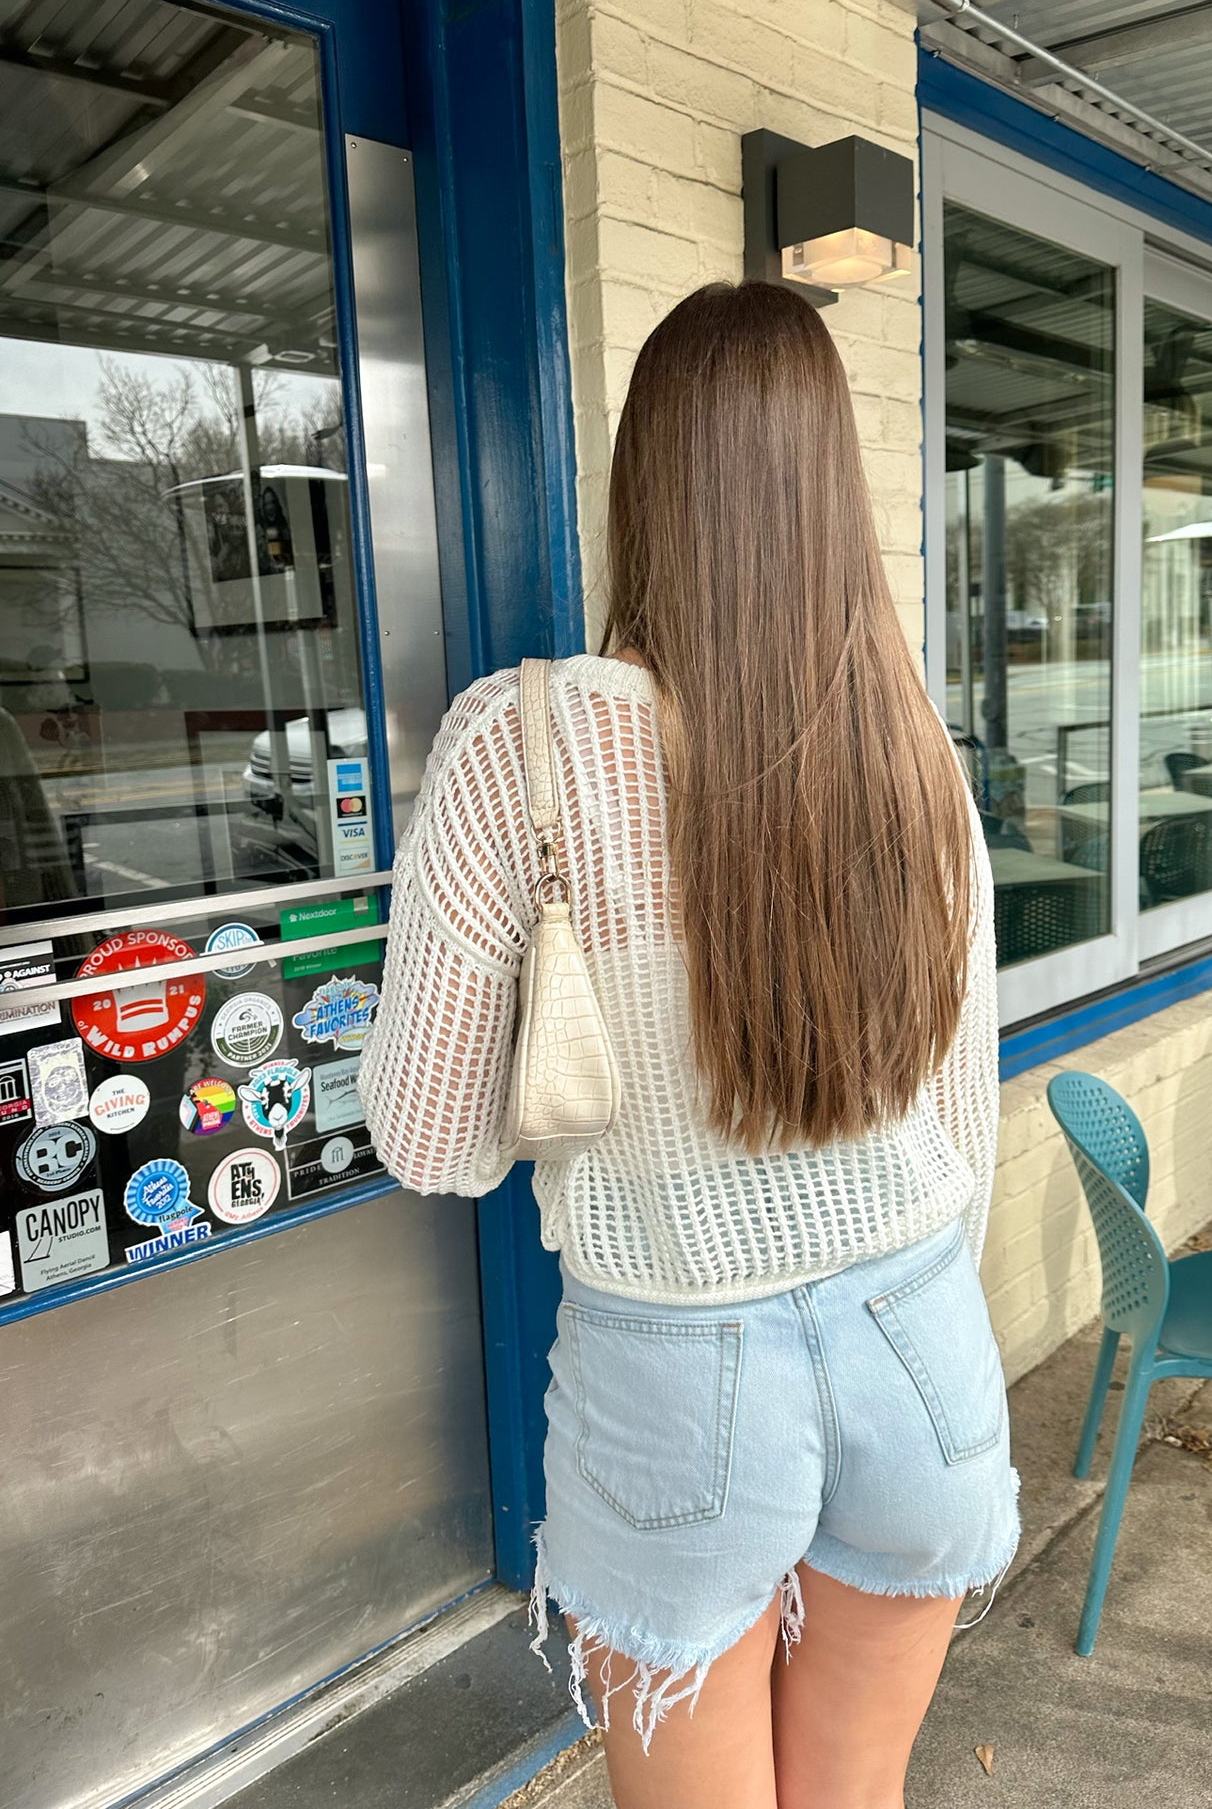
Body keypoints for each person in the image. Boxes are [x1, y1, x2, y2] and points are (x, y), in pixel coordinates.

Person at [357, 280, 1014, 1809]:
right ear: (831, 495)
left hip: (671, 1363)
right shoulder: (913, 748)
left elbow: (432, 1142)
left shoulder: (519, 745)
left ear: (642, 486)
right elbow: (965, 1111)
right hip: (921, 1326)